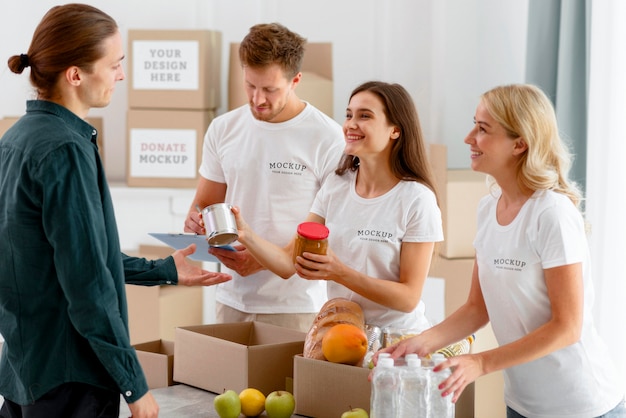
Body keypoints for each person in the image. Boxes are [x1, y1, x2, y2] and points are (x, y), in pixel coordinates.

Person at [0, 4, 231, 418]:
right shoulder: (65, 150)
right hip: (72, 381)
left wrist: (165, 270)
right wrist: (134, 386)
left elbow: (72, 258)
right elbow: (88, 284)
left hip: (24, 371)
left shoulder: (16, 138)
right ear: (75, 75)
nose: (121, 75)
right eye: (115, 64)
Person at [377, 84, 626, 417]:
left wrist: (481, 362)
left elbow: (567, 326)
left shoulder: (552, 214)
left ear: (519, 144)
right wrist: (420, 342)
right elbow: (477, 308)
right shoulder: (488, 207)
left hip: (580, 405)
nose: (469, 138)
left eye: (482, 129)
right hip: (522, 404)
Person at [231, 81, 443, 332]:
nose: (351, 124)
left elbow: (408, 298)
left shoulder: (417, 199)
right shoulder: (336, 186)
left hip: (396, 346)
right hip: (338, 337)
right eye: (349, 115)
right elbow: (289, 262)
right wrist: (245, 234)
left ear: (395, 130)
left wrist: (340, 272)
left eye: (365, 116)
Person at [184, 23, 344, 332]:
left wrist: (263, 258)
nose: (257, 99)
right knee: (226, 383)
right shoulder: (223, 129)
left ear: (295, 80)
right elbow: (205, 204)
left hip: (296, 306)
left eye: (270, 90)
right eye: (250, 85)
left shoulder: (328, 138)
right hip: (231, 299)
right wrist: (195, 221)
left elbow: (332, 227)